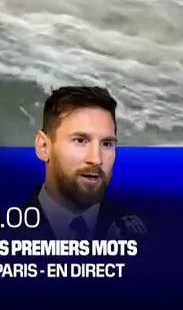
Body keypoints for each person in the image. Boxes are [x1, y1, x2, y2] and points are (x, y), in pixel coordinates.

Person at [24, 86, 146, 241]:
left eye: (107, 143)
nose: (96, 159)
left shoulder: (142, 237)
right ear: (44, 147)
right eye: (80, 140)